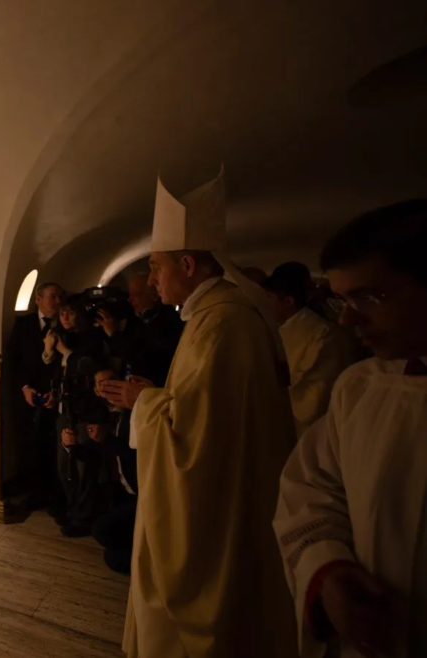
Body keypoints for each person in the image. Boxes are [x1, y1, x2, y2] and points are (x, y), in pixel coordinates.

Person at [99, 167, 297, 657]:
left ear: (188, 265)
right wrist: (158, 395)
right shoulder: (211, 317)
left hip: (216, 507)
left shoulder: (224, 325)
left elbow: (195, 439)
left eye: (158, 267)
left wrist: (143, 401)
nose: (151, 279)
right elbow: (200, 407)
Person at [274, 199, 427, 658]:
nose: (346, 318)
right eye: (342, 298)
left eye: (370, 297)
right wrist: (330, 570)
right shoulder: (360, 388)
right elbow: (312, 490)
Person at [262, 265, 358, 437]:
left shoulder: (322, 334)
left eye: (269, 297)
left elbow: (314, 398)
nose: (265, 303)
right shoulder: (278, 330)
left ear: (288, 301)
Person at [47, 298, 109, 536]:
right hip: (64, 409)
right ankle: (73, 509)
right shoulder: (63, 339)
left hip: (84, 410)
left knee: (82, 466)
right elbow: (57, 371)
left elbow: (87, 367)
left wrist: (64, 352)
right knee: (65, 466)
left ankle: (84, 516)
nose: (65, 318)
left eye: (71, 313)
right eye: (62, 313)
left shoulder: (90, 339)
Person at [5, 282, 65, 510]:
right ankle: (33, 490)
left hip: (56, 395)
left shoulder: (66, 323)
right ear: (38, 299)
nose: (57, 302)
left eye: (60, 297)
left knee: (54, 445)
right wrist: (24, 387)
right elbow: (14, 359)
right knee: (28, 443)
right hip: (28, 395)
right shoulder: (23, 324)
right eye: (52, 297)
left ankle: (54, 493)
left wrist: (56, 392)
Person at [88, 365, 137, 574]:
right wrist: (69, 445)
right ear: (96, 391)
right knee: (111, 554)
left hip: (140, 492)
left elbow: (138, 457)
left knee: (104, 534)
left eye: (113, 380)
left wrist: (107, 440)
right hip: (118, 491)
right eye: (103, 384)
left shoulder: (133, 415)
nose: (109, 387)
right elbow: (92, 457)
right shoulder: (101, 416)